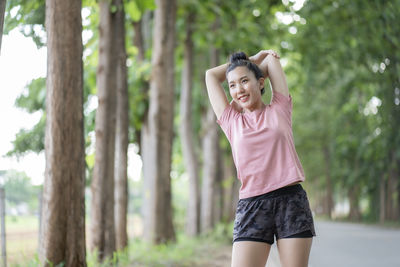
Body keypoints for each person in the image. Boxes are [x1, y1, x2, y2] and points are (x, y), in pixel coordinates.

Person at [205, 50, 316, 267]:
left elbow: (272, 60)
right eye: (233, 85)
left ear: (261, 82)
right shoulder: (231, 120)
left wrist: (255, 66)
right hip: (252, 206)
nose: (238, 90)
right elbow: (210, 75)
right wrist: (250, 63)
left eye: (245, 81)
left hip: (290, 202)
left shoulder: (280, 108)